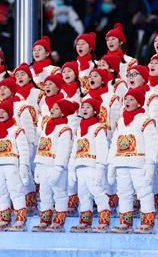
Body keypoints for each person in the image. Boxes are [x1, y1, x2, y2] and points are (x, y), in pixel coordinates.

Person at [107, 88, 158, 234]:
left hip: (138, 163)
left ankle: (148, 222)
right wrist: (111, 164)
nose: (127, 102)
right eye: (126, 99)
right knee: (123, 192)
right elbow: (114, 143)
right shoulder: (120, 122)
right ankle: (125, 222)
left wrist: (150, 164)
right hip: (121, 162)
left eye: (132, 99)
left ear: (139, 102)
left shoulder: (145, 121)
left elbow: (152, 144)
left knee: (144, 191)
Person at [0, 99, 30, 232]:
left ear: (10, 113)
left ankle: (20, 219)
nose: (1, 114)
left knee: (16, 191)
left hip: (11, 165)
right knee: (0, 193)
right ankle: (4, 218)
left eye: (4, 111)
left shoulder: (16, 130)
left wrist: (23, 167)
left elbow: (23, 150)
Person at [32, 99, 77, 232]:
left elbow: (64, 150)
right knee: (44, 193)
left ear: (63, 112)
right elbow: (41, 145)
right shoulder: (46, 126)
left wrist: (58, 168)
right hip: (43, 164)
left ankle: (59, 220)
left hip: (55, 167)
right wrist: (38, 166)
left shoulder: (65, 129)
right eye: (52, 107)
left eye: (57, 108)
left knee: (59, 193)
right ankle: (45, 219)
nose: (52, 110)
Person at [68, 97, 111, 233]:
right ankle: (85, 221)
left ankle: (104, 220)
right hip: (80, 165)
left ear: (95, 111)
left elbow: (102, 149)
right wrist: (71, 168)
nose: (84, 109)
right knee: (83, 193)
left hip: (92, 166)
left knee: (97, 191)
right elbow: (75, 149)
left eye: (88, 107)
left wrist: (100, 168)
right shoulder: (80, 129)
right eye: (83, 107)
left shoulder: (98, 128)